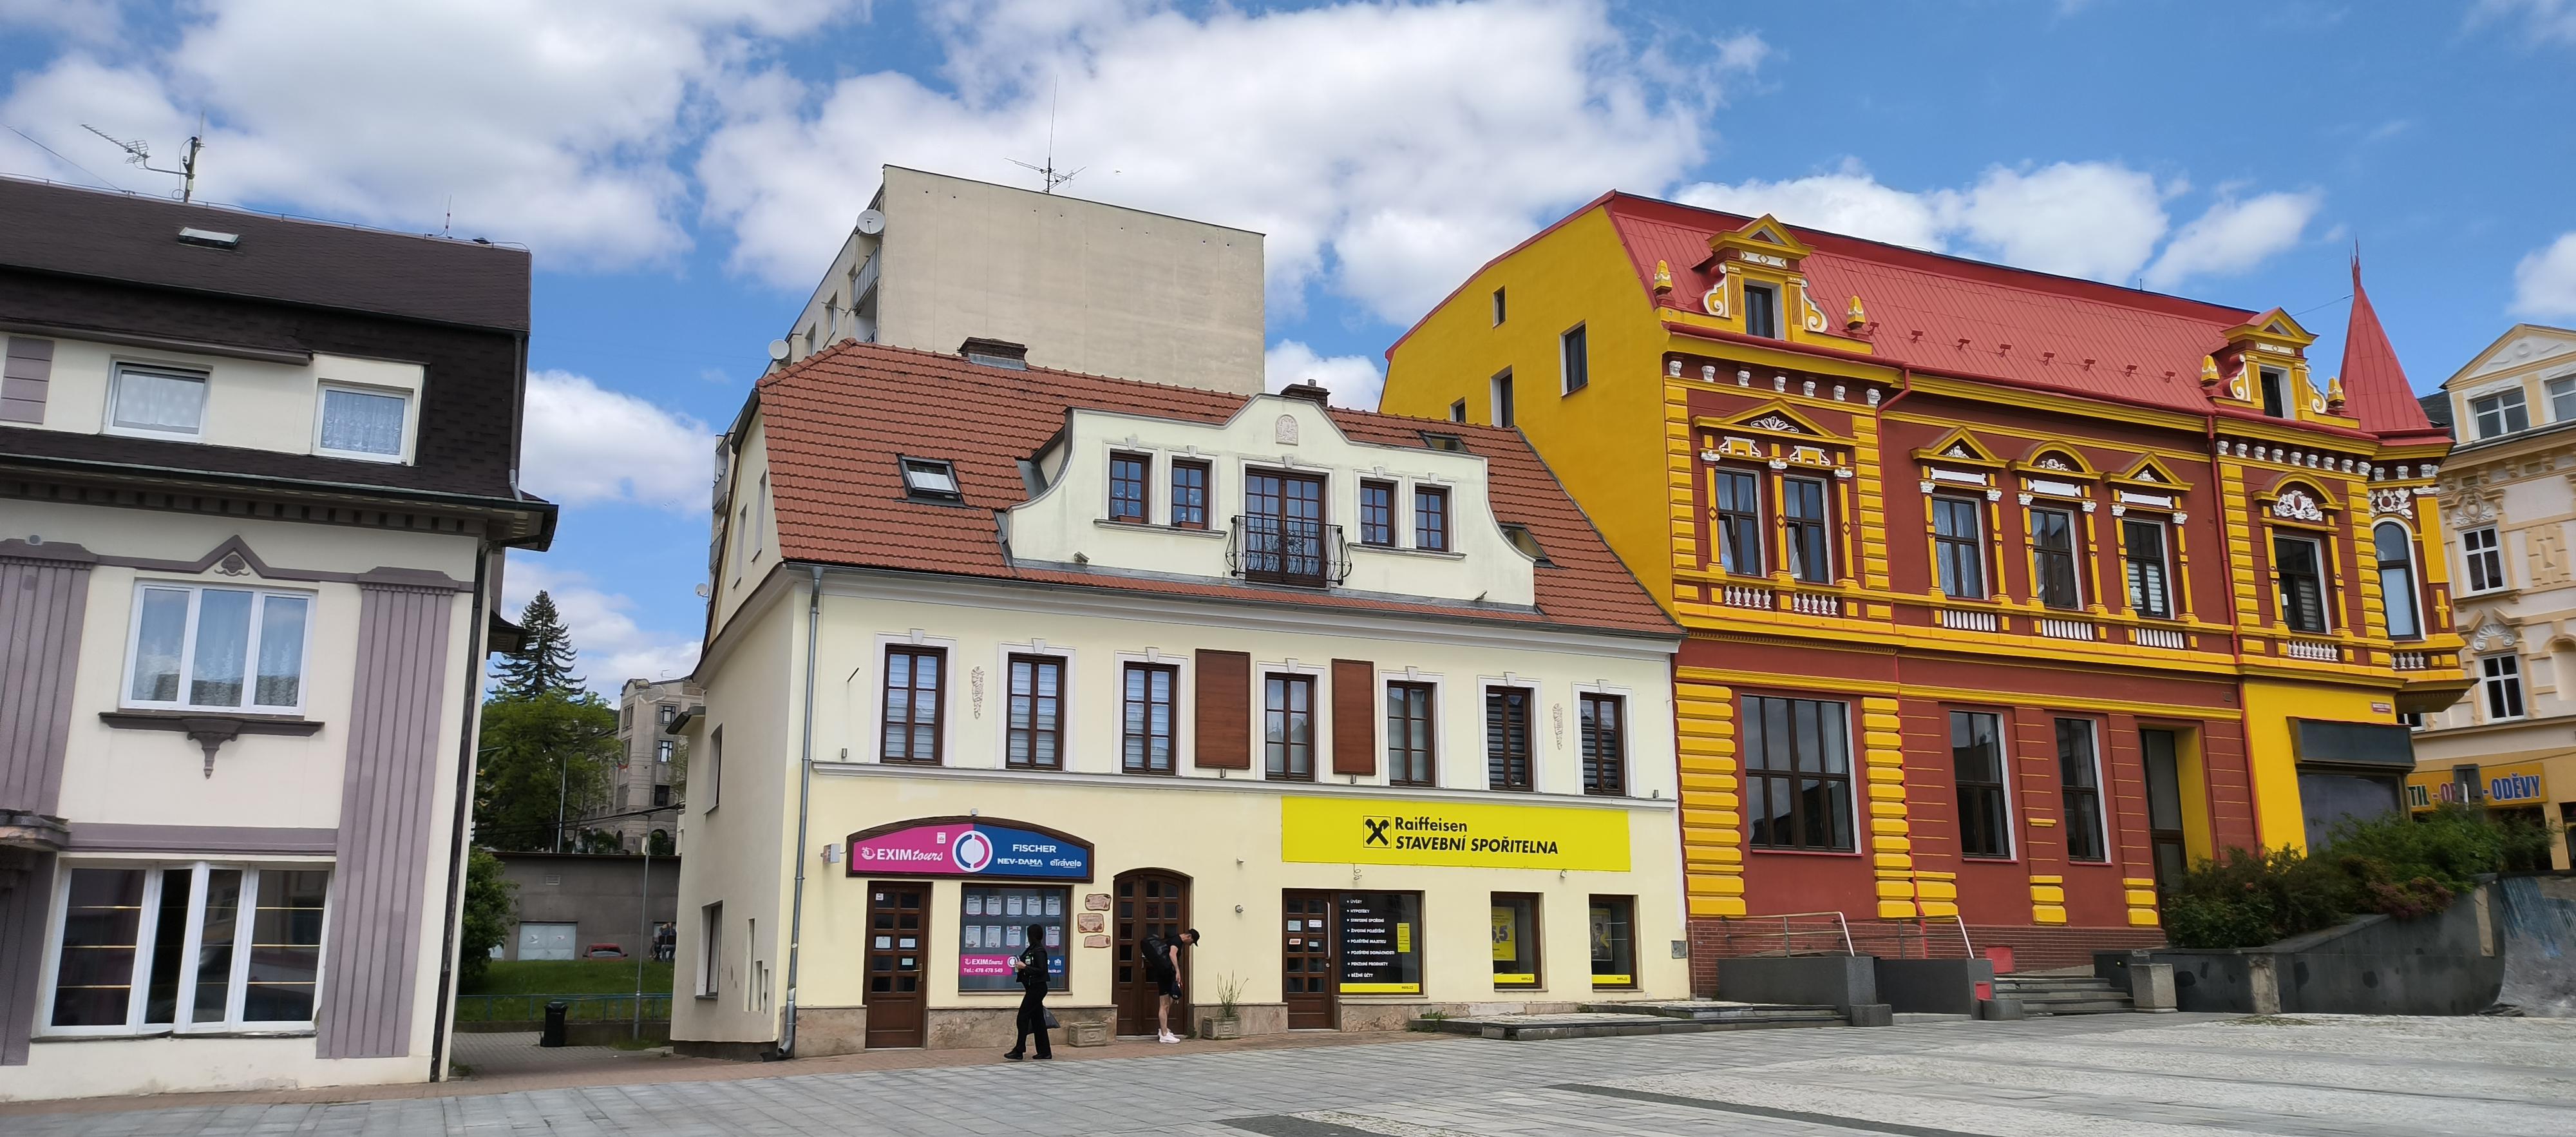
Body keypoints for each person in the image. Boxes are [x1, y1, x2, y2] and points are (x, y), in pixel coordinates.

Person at [1004, 923, 1054, 1060]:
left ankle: (1019, 1050)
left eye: (1029, 934)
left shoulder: (1039, 950)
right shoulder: (1032, 948)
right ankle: (1045, 1052)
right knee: (1038, 1021)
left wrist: (1025, 967)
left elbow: (1042, 970)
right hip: (1033, 988)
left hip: (1037, 988)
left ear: (1032, 935)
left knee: (1022, 1017)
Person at [1144, 927, 1201, 1044]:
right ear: (1189, 937)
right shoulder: (1177, 941)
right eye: (1192, 942)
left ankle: (1163, 1029)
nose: (1191, 945)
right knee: (1164, 1004)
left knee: (1168, 1003)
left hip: (1165, 974)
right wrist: (1178, 971)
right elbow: (1172, 954)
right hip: (1164, 975)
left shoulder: (1174, 939)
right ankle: (1164, 1035)